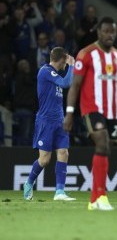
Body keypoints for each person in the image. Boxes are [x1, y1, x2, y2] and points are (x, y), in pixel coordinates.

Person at [63, 17, 117, 211]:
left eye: (113, 31)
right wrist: (69, 113)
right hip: (91, 109)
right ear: (99, 32)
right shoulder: (86, 54)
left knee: (106, 149)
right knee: (102, 142)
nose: (110, 35)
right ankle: (101, 196)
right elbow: (75, 86)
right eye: (106, 31)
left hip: (112, 111)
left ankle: (94, 200)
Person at [23, 47, 76, 201]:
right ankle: (29, 182)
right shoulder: (45, 71)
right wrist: (72, 64)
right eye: (66, 60)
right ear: (62, 59)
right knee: (44, 159)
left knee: (63, 153)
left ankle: (59, 191)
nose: (66, 63)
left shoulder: (55, 75)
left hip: (59, 121)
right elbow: (66, 83)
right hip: (45, 121)